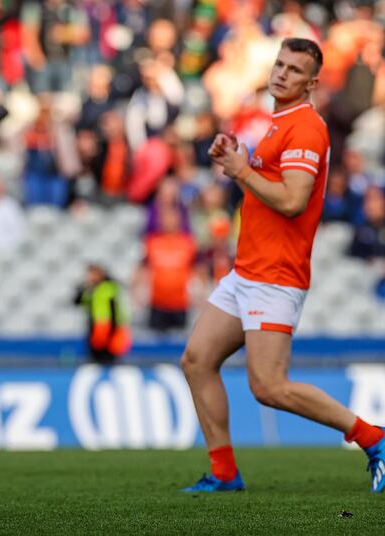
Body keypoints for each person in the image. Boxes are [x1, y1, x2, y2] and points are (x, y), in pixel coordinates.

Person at [179, 38, 385, 494]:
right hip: (248, 270)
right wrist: (237, 159)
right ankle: (224, 473)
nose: (282, 74)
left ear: (311, 83)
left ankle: (374, 437)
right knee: (197, 360)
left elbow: (292, 201)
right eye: (279, 64)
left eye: (294, 70)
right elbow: (267, 187)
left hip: (275, 276)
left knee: (269, 387)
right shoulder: (278, 123)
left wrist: (241, 170)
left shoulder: (306, 128)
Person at [74, 264, 131, 365]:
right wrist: (82, 289)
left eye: (93, 274)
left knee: (107, 355)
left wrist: (114, 327)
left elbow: (114, 308)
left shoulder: (108, 287)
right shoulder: (92, 289)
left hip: (106, 325)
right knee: (95, 354)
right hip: (96, 325)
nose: (91, 277)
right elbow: (78, 302)